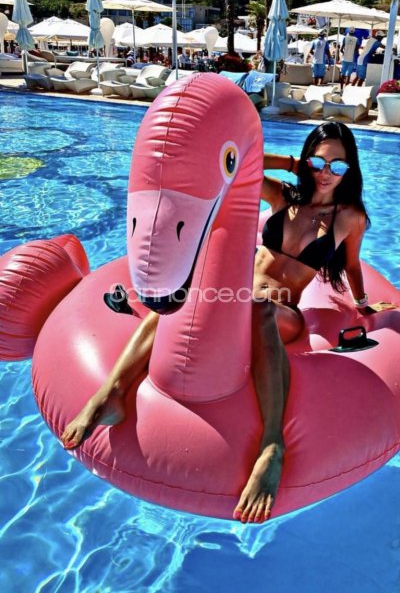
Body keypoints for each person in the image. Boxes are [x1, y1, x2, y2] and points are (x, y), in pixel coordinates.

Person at [62, 122, 387, 524]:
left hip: (279, 313)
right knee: (191, 293)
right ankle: (111, 391)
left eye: (337, 166)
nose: (326, 173)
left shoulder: (350, 217)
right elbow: (236, 168)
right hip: (231, 298)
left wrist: (363, 305)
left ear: (350, 170)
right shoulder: (283, 196)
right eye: (318, 162)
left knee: (258, 307)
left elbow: (351, 265)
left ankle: (272, 444)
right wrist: (292, 164)